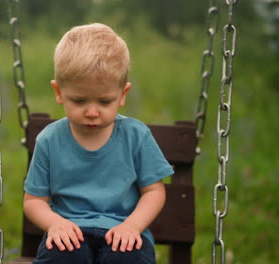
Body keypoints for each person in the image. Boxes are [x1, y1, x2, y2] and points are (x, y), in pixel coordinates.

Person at [23, 23, 174, 264]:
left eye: (104, 102)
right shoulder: (49, 140)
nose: (92, 112)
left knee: (126, 258)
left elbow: (154, 191)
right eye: (79, 100)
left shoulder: (136, 136)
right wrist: (55, 224)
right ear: (59, 92)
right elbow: (34, 201)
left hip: (123, 232)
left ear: (123, 94)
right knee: (64, 257)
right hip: (69, 233)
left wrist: (132, 226)